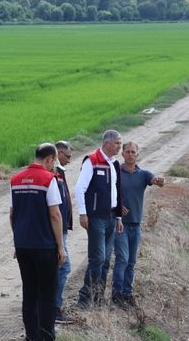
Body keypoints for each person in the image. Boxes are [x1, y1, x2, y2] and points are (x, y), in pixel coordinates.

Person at [10, 143, 66, 341]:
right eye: (54, 162)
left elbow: (12, 214)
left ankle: (31, 336)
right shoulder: (48, 179)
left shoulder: (15, 179)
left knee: (30, 292)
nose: (53, 167)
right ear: (49, 159)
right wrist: (60, 246)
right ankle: (46, 335)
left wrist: (17, 241)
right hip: (44, 246)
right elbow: (55, 215)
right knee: (47, 294)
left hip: (23, 245)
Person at [112, 142, 164, 308]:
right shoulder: (116, 172)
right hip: (120, 224)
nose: (130, 154)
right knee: (123, 259)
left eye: (133, 152)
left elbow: (156, 180)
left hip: (135, 224)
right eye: (127, 151)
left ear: (137, 154)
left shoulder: (143, 174)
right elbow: (108, 194)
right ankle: (116, 294)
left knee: (132, 262)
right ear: (122, 153)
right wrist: (118, 206)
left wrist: (159, 180)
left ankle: (127, 294)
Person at [76, 130, 124, 308]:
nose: (120, 146)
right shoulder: (92, 161)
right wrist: (83, 213)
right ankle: (85, 298)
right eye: (118, 143)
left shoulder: (114, 164)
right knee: (97, 258)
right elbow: (79, 188)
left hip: (111, 217)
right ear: (107, 143)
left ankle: (98, 297)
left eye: (120, 143)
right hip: (96, 218)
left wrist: (118, 216)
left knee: (105, 260)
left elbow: (118, 191)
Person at [53, 141, 74, 324]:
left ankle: (52, 307)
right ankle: (54, 309)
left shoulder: (60, 172)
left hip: (62, 228)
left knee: (60, 267)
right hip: (57, 230)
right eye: (68, 156)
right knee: (63, 267)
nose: (69, 160)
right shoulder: (53, 173)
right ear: (59, 154)